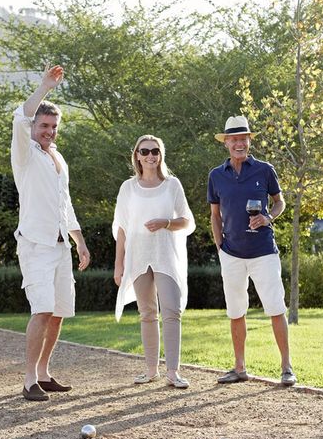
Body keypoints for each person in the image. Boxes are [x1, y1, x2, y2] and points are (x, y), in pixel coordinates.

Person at [12, 63, 91, 401]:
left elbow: (65, 204)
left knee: (58, 313)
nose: (49, 131)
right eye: (44, 125)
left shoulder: (58, 158)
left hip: (60, 248)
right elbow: (21, 116)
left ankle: (44, 372)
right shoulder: (24, 154)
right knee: (42, 310)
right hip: (35, 246)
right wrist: (44, 87)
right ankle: (29, 380)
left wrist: (80, 242)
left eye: (54, 126)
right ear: (34, 126)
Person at [207, 115, 296, 386]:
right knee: (236, 311)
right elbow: (214, 214)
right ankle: (239, 367)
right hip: (231, 254)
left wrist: (269, 218)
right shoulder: (216, 175)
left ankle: (286, 368)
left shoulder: (265, 170)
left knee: (275, 307)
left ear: (249, 141)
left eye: (244, 139)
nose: (239, 143)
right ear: (226, 143)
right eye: (234, 139)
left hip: (263, 252)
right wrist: (219, 244)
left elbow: (279, 202)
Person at [113, 135, 195, 389]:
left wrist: (165, 223)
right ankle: (151, 370)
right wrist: (119, 263)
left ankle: (173, 372)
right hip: (138, 256)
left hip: (166, 255)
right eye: (145, 151)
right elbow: (122, 228)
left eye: (155, 151)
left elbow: (187, 222)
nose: (150, 156)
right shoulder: (128, 188)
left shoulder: (172, 185)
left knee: (171, 310)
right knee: (147, 313)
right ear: (136, 155)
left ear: (161, 155)